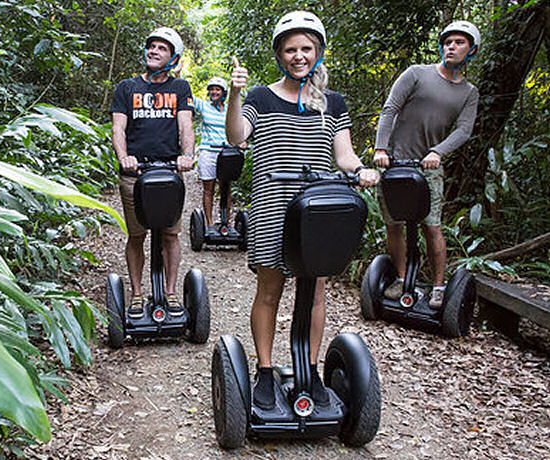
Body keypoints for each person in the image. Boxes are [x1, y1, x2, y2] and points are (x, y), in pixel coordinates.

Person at [225, 11, 379, 409]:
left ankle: (308, 369)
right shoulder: (260, 96)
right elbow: (238, 136)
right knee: (270, 289)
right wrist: (235, 94)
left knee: (315, 292)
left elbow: (344, 155)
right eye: (291, 49)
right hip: (273, 206)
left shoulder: (332, 103)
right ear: (280, 54)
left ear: (318, 52)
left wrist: (361, 171)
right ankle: (263, 370)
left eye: (306, 48)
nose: (299, 56)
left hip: (317, 210)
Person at [372, 20, 480, 308]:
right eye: (447, 42)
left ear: (471, 50)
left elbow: (463, 130)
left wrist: (437, 152)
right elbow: (390, 108)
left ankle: (438, 287)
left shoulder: (469, 93)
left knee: (432, 227)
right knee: (393, 224)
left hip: (428, 167)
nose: (451, 47)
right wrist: (381, 148)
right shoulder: (417, 74)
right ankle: (400, 278)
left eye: (459, 43)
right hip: (393, 163)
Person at [109, 27, 196, 319]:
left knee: (170, 235)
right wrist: (124, 157)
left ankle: (170, 293)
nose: (154, 51)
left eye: (162, 48)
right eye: (152, 46)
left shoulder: (180, 88)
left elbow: (186, 126)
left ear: (173, 57)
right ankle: (136, 294)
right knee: (137, 235)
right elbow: (118, 127)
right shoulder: (127, 88)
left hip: (170, 172)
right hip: (135, 174)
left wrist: (187, 156)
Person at [193, 77, 237, 227]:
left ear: (223, 92)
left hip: (227, 153)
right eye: (211, 89)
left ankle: (226, 222)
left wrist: (240, 141)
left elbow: (237, 127)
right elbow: (188, 96)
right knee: (208, 189)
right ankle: (209, 223)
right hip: (208, 151)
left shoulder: (231, 109)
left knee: (226, 187)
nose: (214, 92)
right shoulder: (204, 106)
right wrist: (178, 75)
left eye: (217, 89)